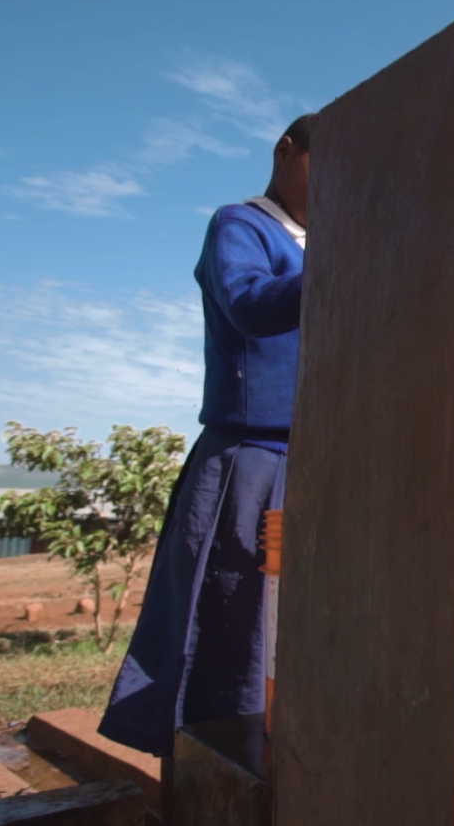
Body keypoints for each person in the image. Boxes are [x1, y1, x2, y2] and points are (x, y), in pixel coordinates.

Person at [99, 113, 316, 757]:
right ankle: (215, 764)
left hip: (315, 457)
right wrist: (349, 262)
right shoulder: (241, 225)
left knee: (293, 624)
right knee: (230, 620)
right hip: (251, 459)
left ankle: (287, 758)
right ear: (285, 151)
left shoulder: (325, 242)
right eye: (324, 163)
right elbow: (248, 303)